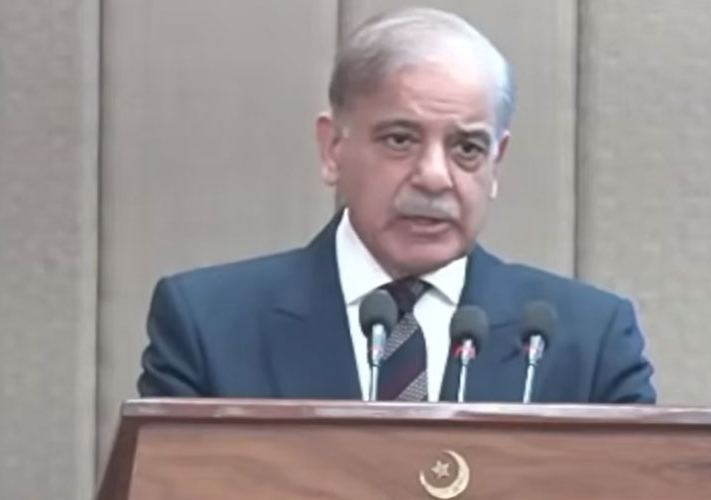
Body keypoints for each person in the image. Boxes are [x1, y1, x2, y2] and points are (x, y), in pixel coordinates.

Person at [137, 7, 656, 404]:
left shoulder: (588, 339)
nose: (434, 177)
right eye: (400, 140)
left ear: (496, 163)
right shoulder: (209, 326)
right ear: (333, 149)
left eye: (466, 148)